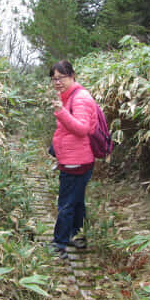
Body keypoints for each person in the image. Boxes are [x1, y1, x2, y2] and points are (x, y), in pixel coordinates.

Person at [48, 60, 97, 260]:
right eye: (54, 79)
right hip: (75, 157)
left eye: (61, 77)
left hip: (76, 160)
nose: (57, 82)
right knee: (75, 201)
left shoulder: (79, 98)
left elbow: (82, 128)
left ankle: (59, 243)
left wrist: (60, 112)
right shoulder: (70, 96)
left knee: (66, 203)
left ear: (72, 76)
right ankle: (74, 236)